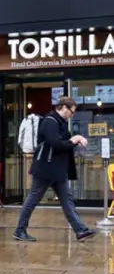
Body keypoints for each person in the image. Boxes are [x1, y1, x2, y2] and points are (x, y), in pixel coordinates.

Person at [14, 96, 96, 242]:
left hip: (57, 170)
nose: (72, 115)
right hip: (45, 169)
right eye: (71, 111)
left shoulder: (60, 123)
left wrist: (73, 142)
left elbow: (63, 144)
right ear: (64, 107)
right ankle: (20, 230)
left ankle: (80, 230)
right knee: (33, 199)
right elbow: (56, 144)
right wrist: (74, 140)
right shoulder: (49, 122)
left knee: (67, 200)